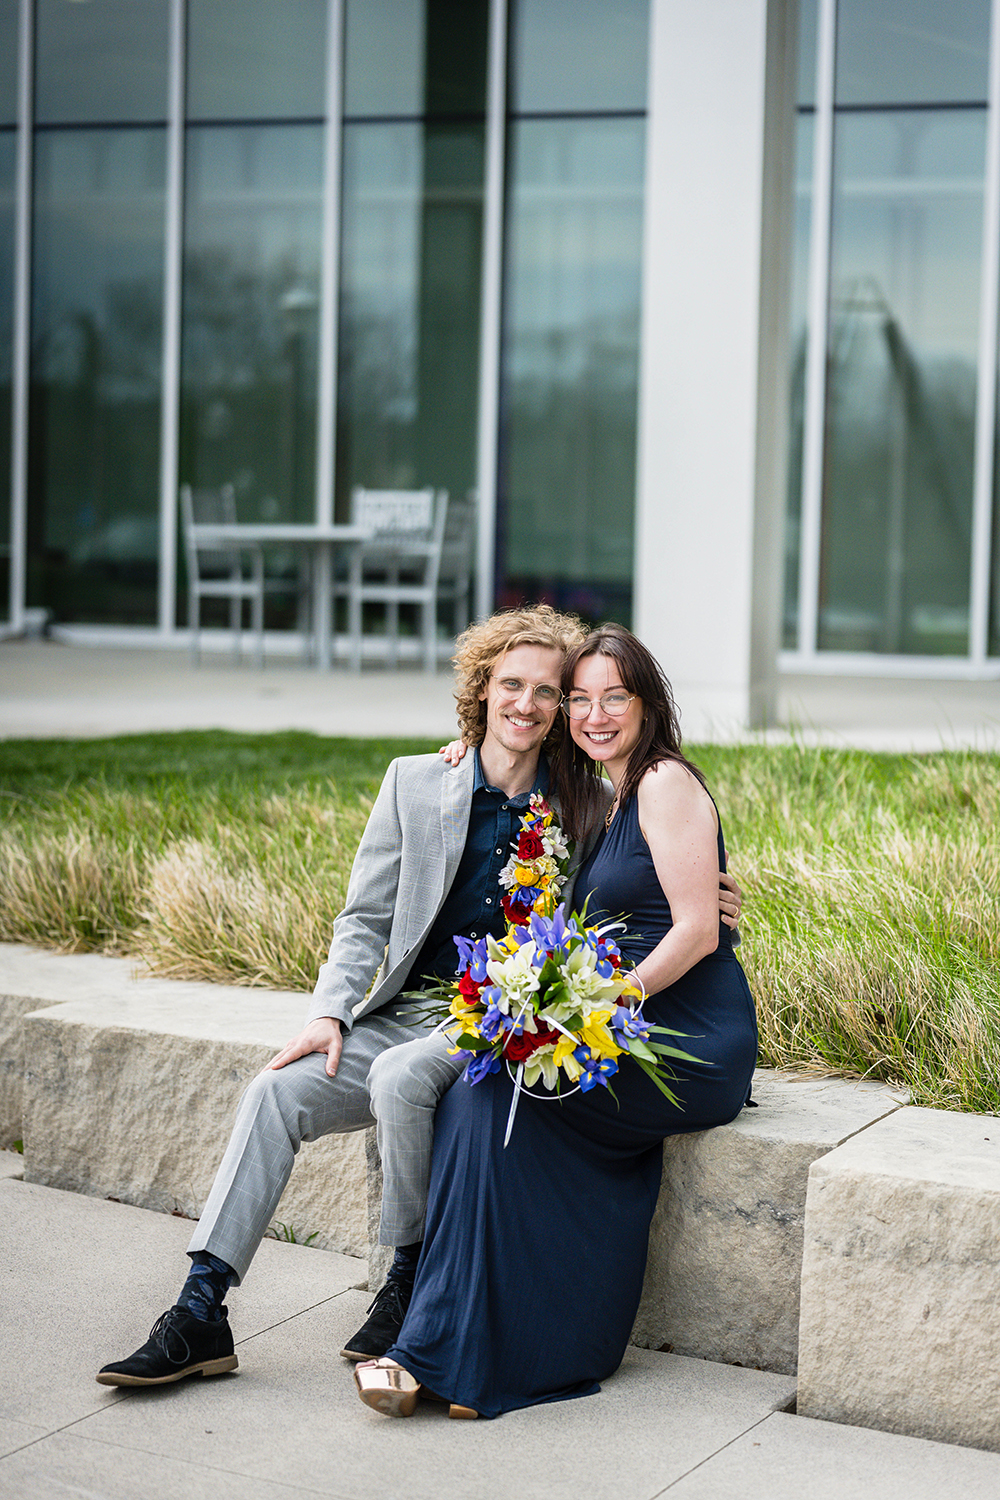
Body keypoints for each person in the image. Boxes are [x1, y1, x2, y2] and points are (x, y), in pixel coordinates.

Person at [97, 606, 744, 1388]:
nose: (529, 704)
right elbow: (364, 916)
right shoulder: (413, 781)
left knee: (404, 1077)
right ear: (480, 690)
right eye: (513, 684)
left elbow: (651, 885)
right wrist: (329, 1013)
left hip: (495, 1018)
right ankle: (201, 1311)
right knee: (273, 1093)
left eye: (549, 691)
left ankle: (405, 1277)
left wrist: (716, 897)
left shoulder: (589, 802)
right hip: (401, 1009)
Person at [354, 623, 758, 1419]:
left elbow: (698, 931)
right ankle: (454, 1340)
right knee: (478, 1092)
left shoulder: (665, 782)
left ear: (649, 704)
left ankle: (464, 1354)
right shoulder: (607, 798)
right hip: (624, 1022)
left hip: (688, 1037)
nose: (594, 714)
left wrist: (603, 1004)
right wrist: (462, 747)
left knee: (508, 1097)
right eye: (579, 699)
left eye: (614, 697)